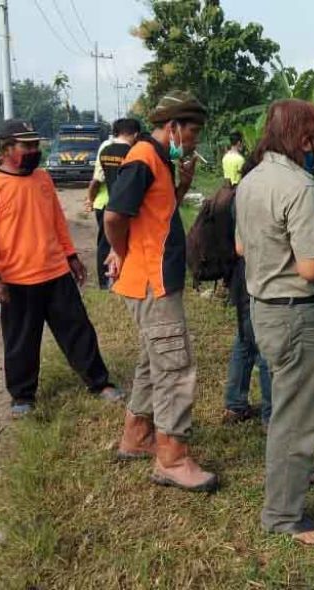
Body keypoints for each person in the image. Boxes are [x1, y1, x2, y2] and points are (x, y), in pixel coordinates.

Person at [235, 99, 314, 545]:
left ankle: (291, 479)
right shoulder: (300, 187)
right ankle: (284, 514)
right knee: (297, 417)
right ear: (303, 138)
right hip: (296, 315)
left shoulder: (253, 179)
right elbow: (309, 267)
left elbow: (243, 249)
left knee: (285, 404)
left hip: (263, 308)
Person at [103, 91, 218, 493]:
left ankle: (136, 436)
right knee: (175, 366)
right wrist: (121, 253)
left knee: (154, 360)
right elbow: (115, 216)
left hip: (152, 278)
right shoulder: (143, 159)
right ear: (173, 127)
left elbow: (158, 214)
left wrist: (183, 183)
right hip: (152, 281)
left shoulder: (159, 162)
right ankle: (172, 458)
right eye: (193, 132)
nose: (195, 141)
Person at [0, 119, 122, 417]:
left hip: (55, 273)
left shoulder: (42, 179)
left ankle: (99, 383)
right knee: (21, 342)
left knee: (78, 331)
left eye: (35, 144)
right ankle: (23, 397)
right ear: (6, 149)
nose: (34, 150)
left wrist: (71, 256)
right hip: (16, 279)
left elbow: (56, 221)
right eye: (27, 145)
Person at [223, 155, 273, 426]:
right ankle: (271, 415)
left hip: (241, 278)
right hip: (258, 278)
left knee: (245, 340)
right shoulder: (256, 200)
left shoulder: (238, 197)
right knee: (266, 347)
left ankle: (235, 403)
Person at [85, 118, 142, 289]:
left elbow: (96, 180)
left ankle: (105, 282)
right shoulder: (133, 152)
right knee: (122, 243)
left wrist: (90, 199)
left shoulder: (105, 151)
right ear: (136, 134)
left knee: (104, 243)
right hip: (124, 205)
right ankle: (120, 277)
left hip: (106, 204)